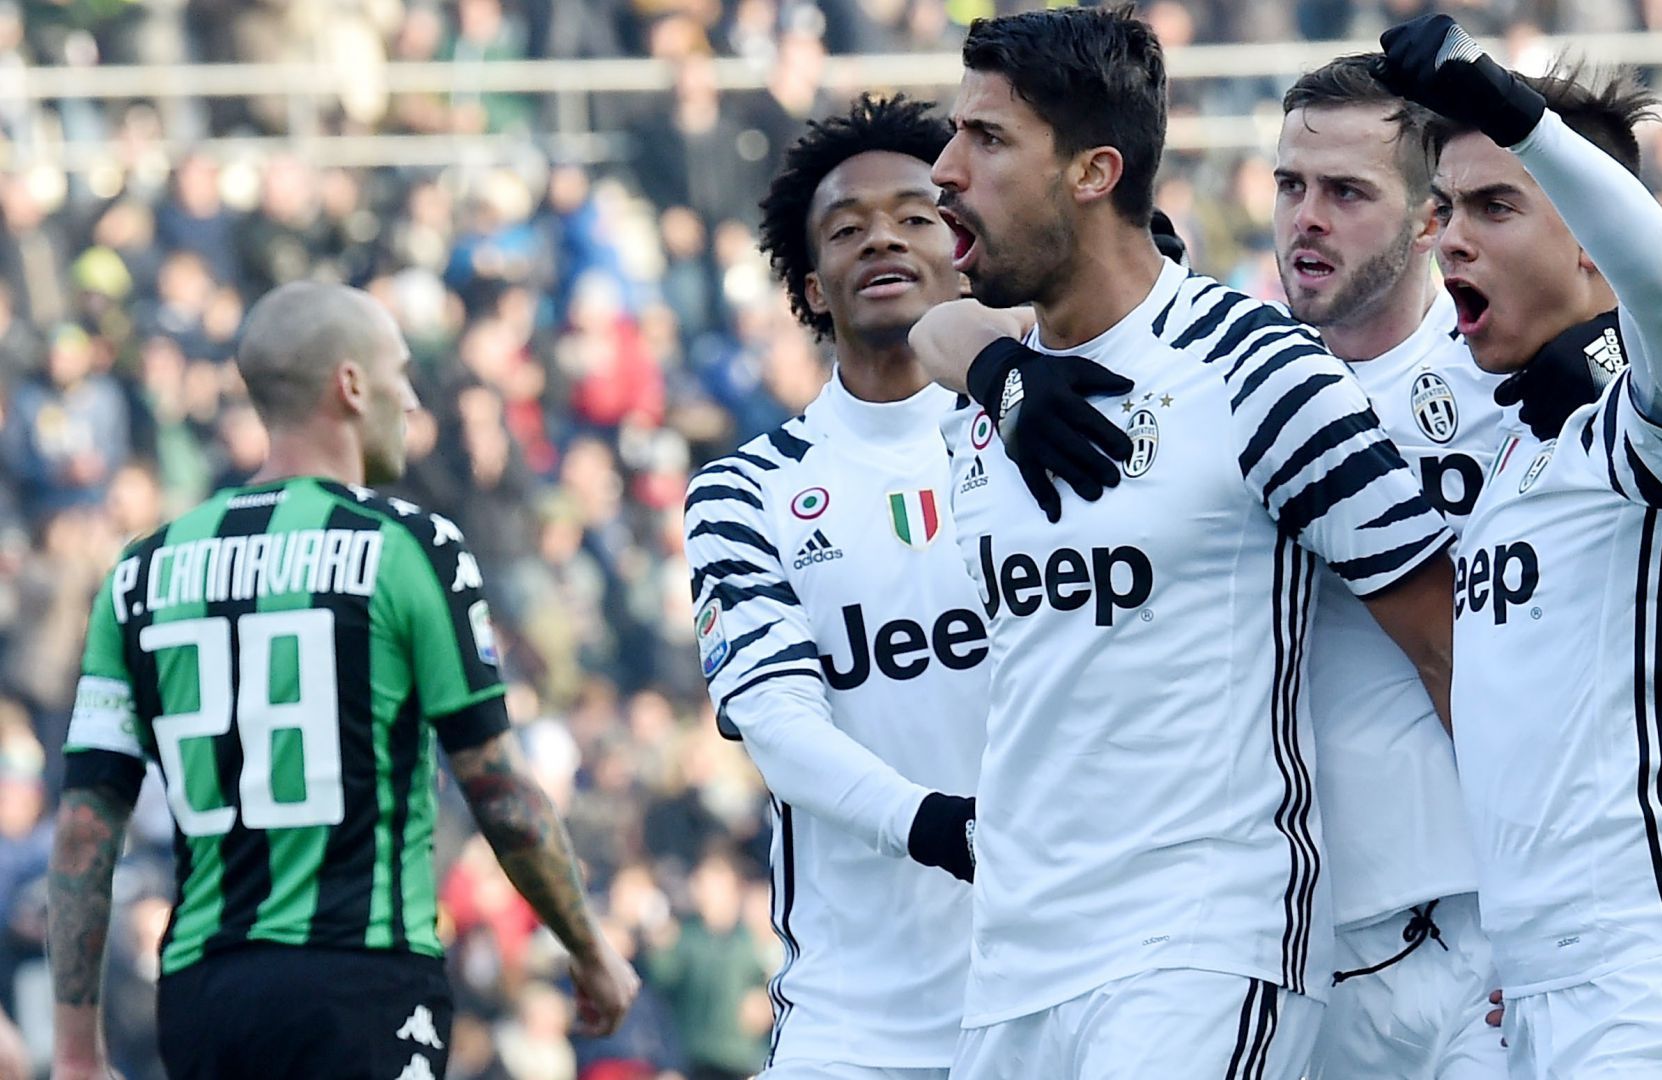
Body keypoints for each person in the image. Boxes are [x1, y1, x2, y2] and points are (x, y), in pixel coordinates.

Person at [914, 8, 1456, 1078]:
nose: (945, 169)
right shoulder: (981, 397)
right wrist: (989, 368)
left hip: (1205, 942)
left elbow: (1448, 644)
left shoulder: (1260, 372)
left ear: (1093, 171)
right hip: (1017, 955)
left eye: (987, 139)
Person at [1268, 56, 1662, 1080]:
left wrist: (1528, 123)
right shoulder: (1514, 449)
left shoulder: (1647, 436)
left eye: (1496, 205)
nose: (1455, 234)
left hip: (1659, 960)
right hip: (1523, 986)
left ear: (1596, 246)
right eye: (1450, 205)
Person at [48, 281, 637, 1080]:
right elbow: (497, 789)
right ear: (352, 385)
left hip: (203, 998)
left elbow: (87, 828)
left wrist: (77, 1053)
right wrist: (590, 947)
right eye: (400, 372)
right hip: (362, 985)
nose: (413, 397)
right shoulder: (410, 548)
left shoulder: (140, 572)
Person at [682, 93, 986, 1080]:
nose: (882, 239)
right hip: (856, 1025)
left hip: (1058, 992)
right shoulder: (746, 490)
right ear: (812, 290)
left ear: (966, 247)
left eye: (914, 214)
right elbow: (778, 729)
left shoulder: (1040, 441)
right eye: (847, 229)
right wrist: (941, 826)